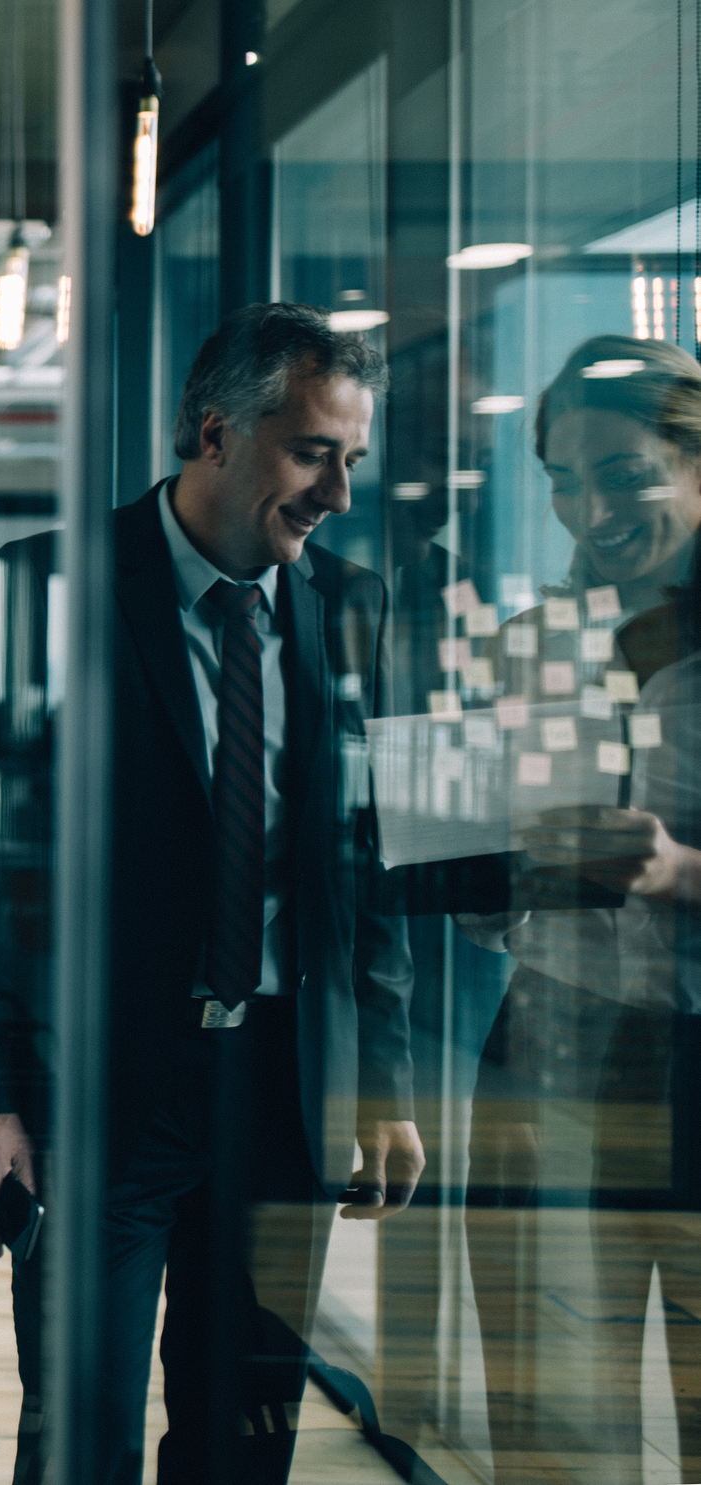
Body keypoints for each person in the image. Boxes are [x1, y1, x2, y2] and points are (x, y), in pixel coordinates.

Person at [0, 302, 423, 1483]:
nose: (336, 493)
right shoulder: (46, 589)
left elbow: (371, 866)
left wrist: (383, 1082)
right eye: (313, 453)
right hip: (93, 1094)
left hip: (277, 1086)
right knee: (79, 1429)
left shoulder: (352, 607)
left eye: (351, 459)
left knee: (242, 1435)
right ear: (214, 434)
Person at [456, 336, 701, 1480]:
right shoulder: (531, 651)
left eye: (620, 473)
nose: (583, 507)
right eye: (560, 476)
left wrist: (676, 872)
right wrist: (462, 858)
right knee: (548, 1419)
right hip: (548, 1036)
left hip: (689, 1053)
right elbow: (477, 898)